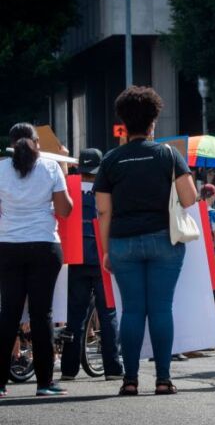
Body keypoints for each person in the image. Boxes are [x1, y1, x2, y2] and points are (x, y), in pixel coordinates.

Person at [94, 87, 198, 396]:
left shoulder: (111, 161)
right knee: (161, 308)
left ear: (123, 124)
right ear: (153, 122)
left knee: (132, 311)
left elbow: (102, 210)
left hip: (123, 242)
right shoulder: (168, 155)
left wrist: (106, 250)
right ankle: (163, 379)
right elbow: (189, 197)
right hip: (164, 240)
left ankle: (130, 379)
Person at [0, 123, 73, 397]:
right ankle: (44, 383)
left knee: (8, 313)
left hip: (7, 245)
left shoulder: (0, 169)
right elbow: (65, 210)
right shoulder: (51, 168)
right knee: (42, 314)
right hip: (44, 244)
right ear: (36, 144)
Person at [60, 148, 124, 381]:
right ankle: (113, 368)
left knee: (74, 315)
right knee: (108, 313)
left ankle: (68, 369)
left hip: (75, 259)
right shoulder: (106, 192)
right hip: (102, 259)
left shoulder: (69, 189)